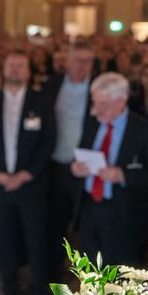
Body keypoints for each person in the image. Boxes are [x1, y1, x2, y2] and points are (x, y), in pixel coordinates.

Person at [0, 51, 55, 295]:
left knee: (36, 242)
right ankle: (9, 291)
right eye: (12, 65)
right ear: (4, 68)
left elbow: (48, 142)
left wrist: (25, 174)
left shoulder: (41, 102)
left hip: (31, 185)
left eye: (22, 66)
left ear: (29, 72)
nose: (16, 70)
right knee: (4, 240)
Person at [70, 72, 148, 266]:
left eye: (102, 104)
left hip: (124, 214)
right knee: (90, 271)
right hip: (90, 208)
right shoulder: (92, 123)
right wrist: (75, 168)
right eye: (94, 102)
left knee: (121, 275)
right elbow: (80, 153)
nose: (95, 110)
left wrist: (123, 175)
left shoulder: (145, 132)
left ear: (122, 101)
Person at [43, 41, 95, 279]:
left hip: (86, 166)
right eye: (77, 60)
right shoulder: (53, 85)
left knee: (84, 224)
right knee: (54, 221)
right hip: (56, 163)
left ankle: (84, 276)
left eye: (87, 61)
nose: (82, 65)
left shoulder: (96, 88)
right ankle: (54, 272)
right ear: (68, 61)